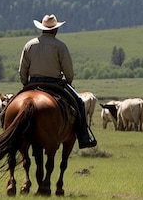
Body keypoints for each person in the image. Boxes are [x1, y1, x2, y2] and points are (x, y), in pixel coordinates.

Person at [19, 14, 97, 149]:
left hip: (33, 82)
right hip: (55, 83)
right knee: (79, 103)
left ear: (41, 29)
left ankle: (7, 128)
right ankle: (84, 137)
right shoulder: (60, 46)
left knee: (11, 103)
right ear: (55, 30)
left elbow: (22, 69)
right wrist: (68, 80)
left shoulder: (29, 45)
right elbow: (68, 71)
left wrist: (26, 84)